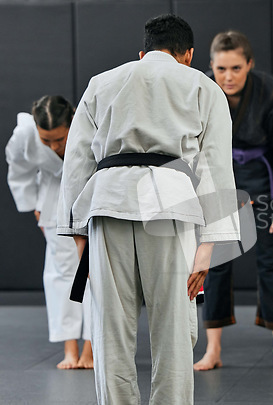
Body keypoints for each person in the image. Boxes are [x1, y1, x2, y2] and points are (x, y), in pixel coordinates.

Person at [57, 14, 239, 405]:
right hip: (171, 206)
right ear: (188, 54)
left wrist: (77, 236)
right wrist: (208, 249)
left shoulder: (101, 84)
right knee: (173, 329)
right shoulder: (203, 87)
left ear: (142, 53)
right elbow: (216, 169)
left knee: (110, 330)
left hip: (108, 204)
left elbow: (76, 165)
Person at [194, 31, 273, 373]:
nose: (228, 76)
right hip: (219, 184)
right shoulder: (201, 93)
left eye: (236, 68)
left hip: (264, 184)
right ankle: (212, 349)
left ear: (250, 65)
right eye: (221, 68)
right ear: (210, 65)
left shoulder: (272, 93)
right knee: (214, 265)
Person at [5, 95, 93, 369]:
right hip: (52, 200)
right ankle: (69, 347)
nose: (55, 146)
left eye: (60, 139)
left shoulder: (88, 123)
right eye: (47, 141)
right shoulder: (25, 134)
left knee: (94, 272)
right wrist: (32, 203)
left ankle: (91, 347)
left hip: (90, 197)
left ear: (71, 125)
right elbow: (18, 168)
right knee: (61, 273)